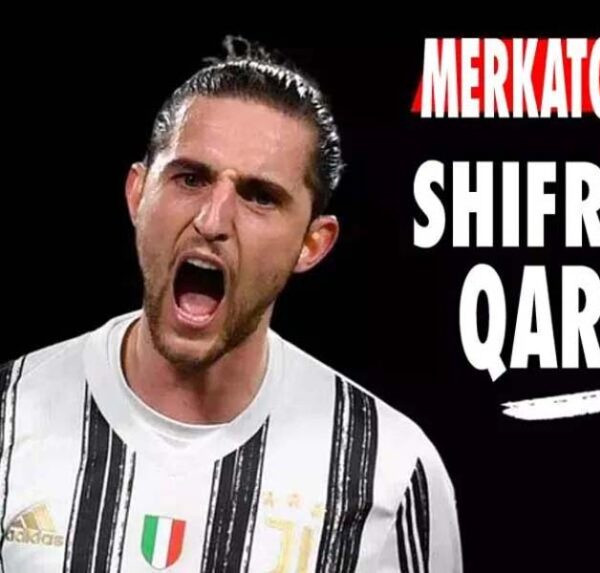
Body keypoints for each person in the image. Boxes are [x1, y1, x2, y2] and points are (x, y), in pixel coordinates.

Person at [0, 37, 462, 573]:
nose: (212, 220)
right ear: (137, 194)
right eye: (190, 178)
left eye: (260, 196)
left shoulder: (389, 471)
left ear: (311, 244)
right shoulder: (10, 416)